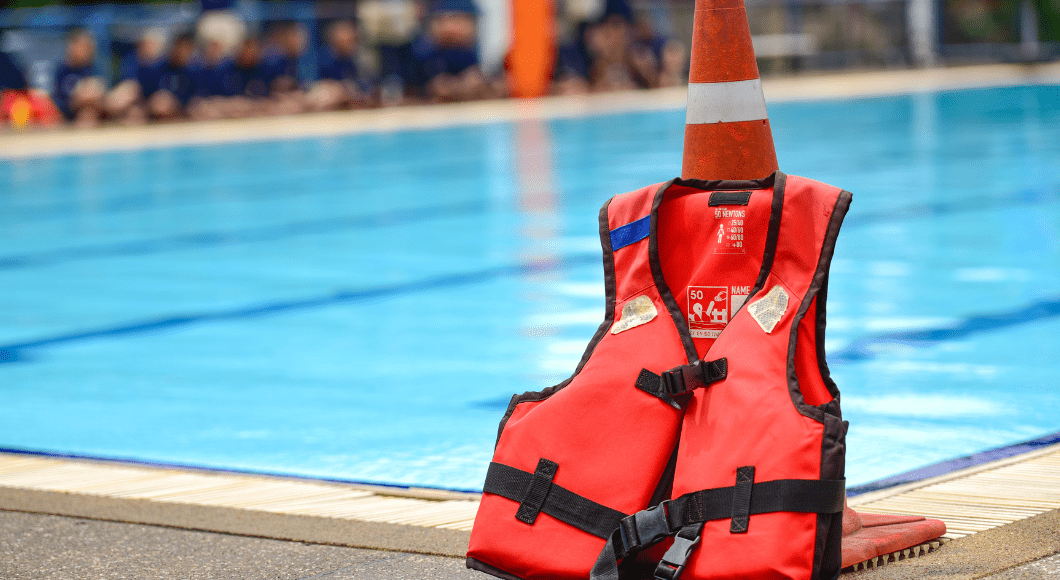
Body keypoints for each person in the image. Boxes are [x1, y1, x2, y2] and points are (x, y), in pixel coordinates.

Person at [415, 0, 492, 102]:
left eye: (460, 20)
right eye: (442, 20)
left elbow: (476, 78)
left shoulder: (470, 53)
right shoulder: (424, 54)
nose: (451, 28)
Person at [308, 19, 372, 111]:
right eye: (350, 40)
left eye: (355, 40)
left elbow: (360, 86)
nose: (353, 44)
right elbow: (312, 87)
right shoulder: (320, 59)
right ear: (336, 40)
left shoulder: (350, 60)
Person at [105, 28, 166, 124]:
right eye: (147, 44)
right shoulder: (131, 61)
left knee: (161, 104)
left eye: (153, 45)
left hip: (153, 102)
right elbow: (129, 87)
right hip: (135, 102)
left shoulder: (164, 64)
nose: (150, 47)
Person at [53, 29, 107, 127]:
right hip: (68, 111)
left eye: (87, 47)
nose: (84, 50)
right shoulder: (62, 69)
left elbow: (101, 93)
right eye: (81, 46)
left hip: (91, 109)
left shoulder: (94, 68)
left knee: (88, 114)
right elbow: (60, 100)